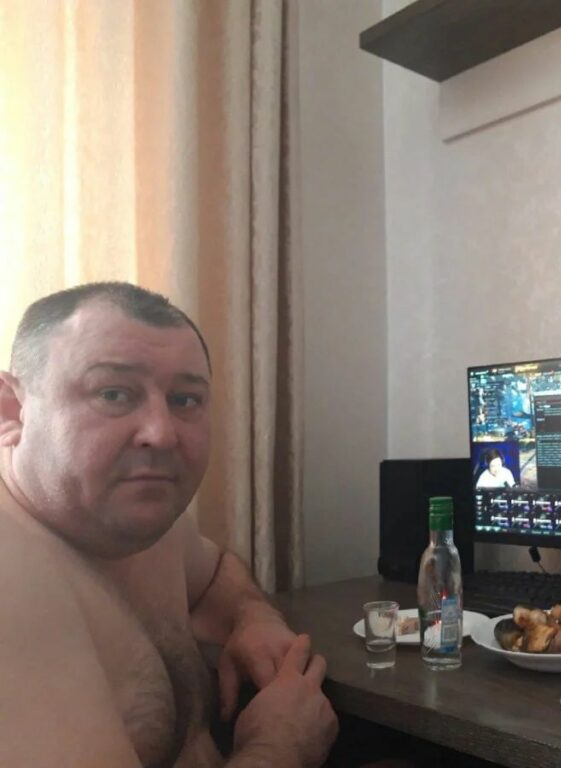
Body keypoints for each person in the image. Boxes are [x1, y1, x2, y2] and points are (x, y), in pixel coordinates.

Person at [0, 283, 339, 767]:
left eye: (184, 399)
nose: (161, 434)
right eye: (113, 393)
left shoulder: (136, 524)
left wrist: (253, 618)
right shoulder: (11, 574)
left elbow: (217, 572)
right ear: (11, 410)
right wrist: (282, 743)